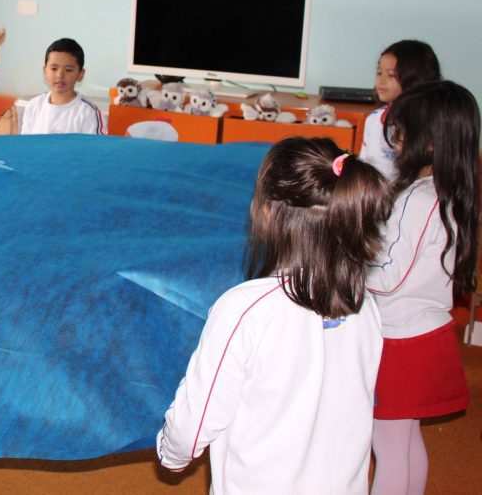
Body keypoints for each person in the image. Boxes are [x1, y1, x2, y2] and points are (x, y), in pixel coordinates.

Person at [157, 137, 391, 494]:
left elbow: (196, 419)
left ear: (267, 213)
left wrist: (171, 453)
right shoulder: (363, 304)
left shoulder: (246, 309)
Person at [367, 80, 479, 495]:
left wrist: (347, 271)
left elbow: (389, 276)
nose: (395, 141)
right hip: (425, 332)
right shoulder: (449, 193)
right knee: (405, 438)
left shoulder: (418, 199)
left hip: (401, 339)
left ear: (429, 141)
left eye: (402, 131)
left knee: (388, 443)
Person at [360, 40, 441, 180]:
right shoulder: (373, 119)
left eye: (391, 75)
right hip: (371, 189)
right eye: (379, 73)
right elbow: (363, 161)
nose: (381, 81)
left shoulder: (426, 124)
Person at [20, 38, 106, 135]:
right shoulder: (33, 106)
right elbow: (26, 143)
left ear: (80, 74)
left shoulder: (89, 112)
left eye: (68, 70)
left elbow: (95, 145)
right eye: (54, 69)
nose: (60, 75)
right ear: (45, 71)